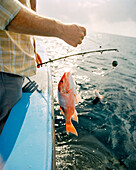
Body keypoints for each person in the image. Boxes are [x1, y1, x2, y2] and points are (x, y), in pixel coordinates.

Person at [0, 0, 86, 134]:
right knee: (6, 133)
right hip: (5, 73)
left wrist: (31, 50)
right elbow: (6, 10)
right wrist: (62, 30)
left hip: (14, 72)